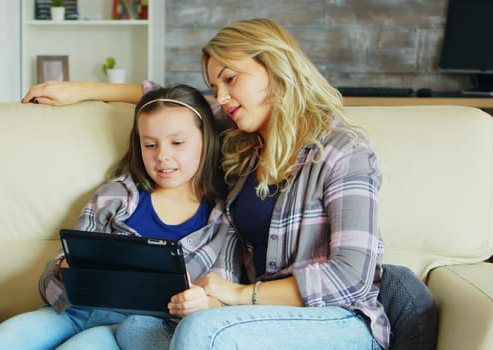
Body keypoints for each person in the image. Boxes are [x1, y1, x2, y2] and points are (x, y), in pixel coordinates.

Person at [22, 18, 438, 350]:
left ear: (274, 71)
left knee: (205, 335)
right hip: (258, 316)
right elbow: (174, 104)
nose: (221, 96)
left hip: (336, 318)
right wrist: (79, 90)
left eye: (230, 78)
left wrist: (238, 295)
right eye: (215, 85)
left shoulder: (343, 152)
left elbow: (351, 277)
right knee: (135, 330)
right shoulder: (243, 140)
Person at [0, 84, 242, 350]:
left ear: (206, 141)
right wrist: (65, 270)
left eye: (178, 142)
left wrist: (203, 303)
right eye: (149, 144)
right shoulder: (115, 195)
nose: (162, 156)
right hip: (73, 311)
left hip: (130, 329)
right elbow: (54, 279)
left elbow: (222, 299)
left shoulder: (222, 221)